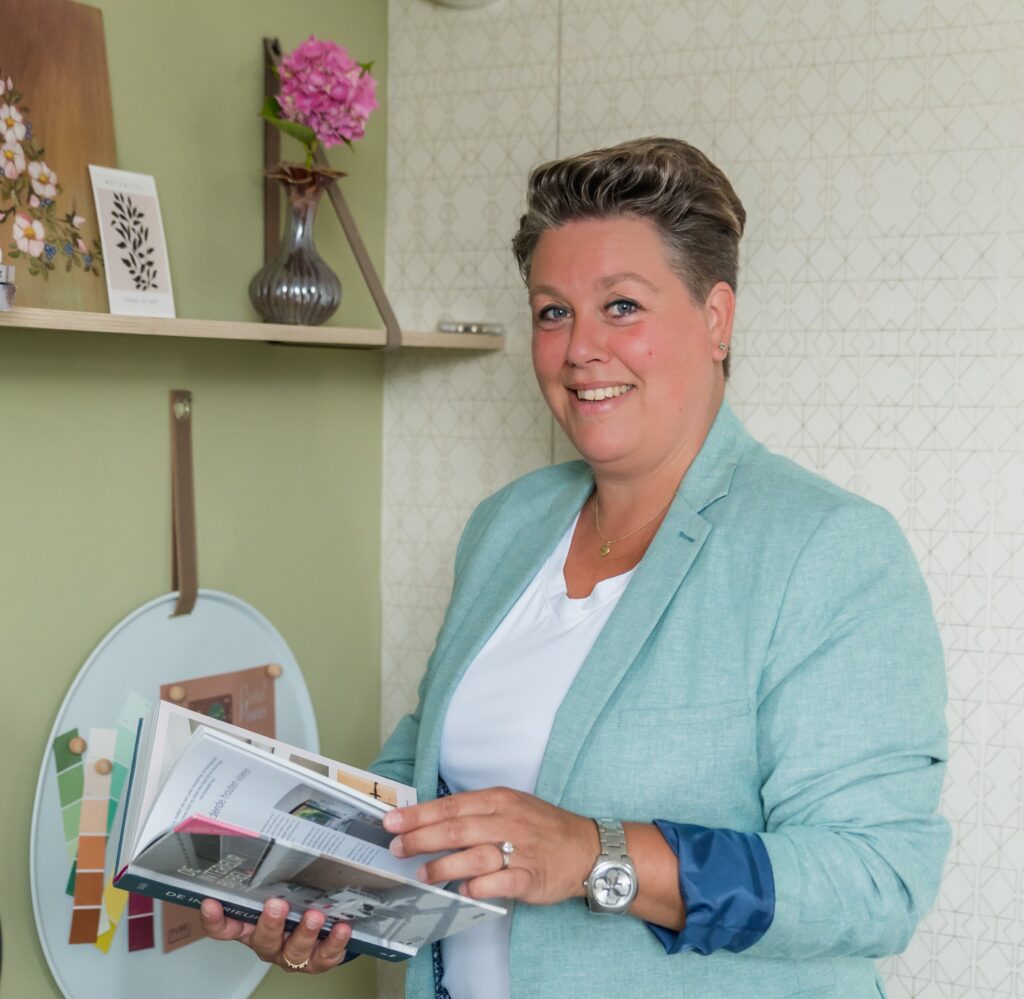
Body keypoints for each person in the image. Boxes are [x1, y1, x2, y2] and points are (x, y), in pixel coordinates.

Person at [201, 137, 950, 998]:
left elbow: (877, 880)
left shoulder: (827, 548)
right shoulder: (506, 525)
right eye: (553, 312)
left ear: (716, 318)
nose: (580, 348)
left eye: (621, 306)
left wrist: (596, 853)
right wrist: (323, 897)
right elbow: (421, 788)